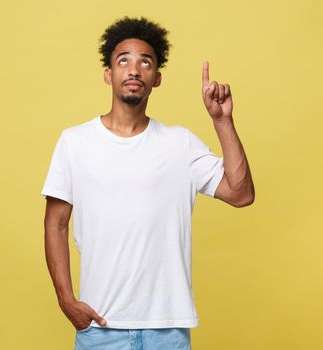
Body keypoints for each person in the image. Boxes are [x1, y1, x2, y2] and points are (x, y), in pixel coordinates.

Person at [41, 16, 254, 350]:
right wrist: (66, 300)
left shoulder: (180, 144)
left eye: (145, 62)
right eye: (123, 60)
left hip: (166, 331)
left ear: (157, 78)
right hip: (100, 327)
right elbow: (55, 224)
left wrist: (222, 121)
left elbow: (240, 193)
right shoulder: (74, 142)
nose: (134, 70)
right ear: (108, 75)